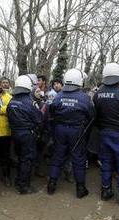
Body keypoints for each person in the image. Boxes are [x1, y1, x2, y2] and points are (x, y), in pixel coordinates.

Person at [47, 69, 95, 198]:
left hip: (60, 129)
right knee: (78, 158)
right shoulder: (84, 97)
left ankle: (51, 185)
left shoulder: (59, 95)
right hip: (76, 130)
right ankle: (80, 188)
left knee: (58, 156)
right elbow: (91, 116)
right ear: (79, 81)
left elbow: (51, 112)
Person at [93, 62, 119, 207]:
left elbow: (95, 115)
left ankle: (106, 191)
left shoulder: (98, 94)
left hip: (104, 132)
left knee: (106, 162)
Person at [7, 75, 43, 194]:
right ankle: (24, 186)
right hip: (27, 134)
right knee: (27, 159)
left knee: (20, 158)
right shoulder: (30, 103)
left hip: (15, 134)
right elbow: (39, 119)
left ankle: (19, 180)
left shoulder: (11, 101)